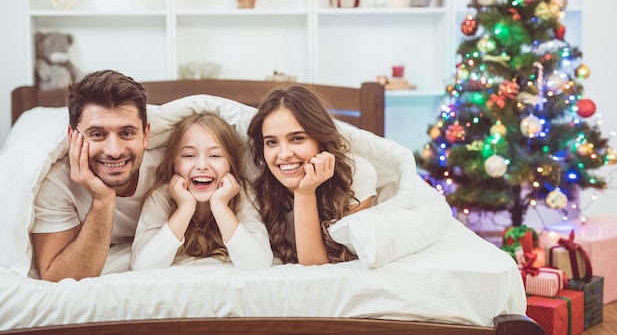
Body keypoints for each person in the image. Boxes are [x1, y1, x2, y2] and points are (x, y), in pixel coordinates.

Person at [31, 69, 158, 281]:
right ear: (73, 136)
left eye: (127, 133)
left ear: (146, 134)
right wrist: (103, 199)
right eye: (97, 134)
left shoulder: (173, 165)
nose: (114, 150)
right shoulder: (55, 182)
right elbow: (58, 277)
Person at [247, 85, 376, 266]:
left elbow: (314, 266)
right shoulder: (255, 180)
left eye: (297, 138)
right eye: (271, 142)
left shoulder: (357, 174)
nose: (284, 154)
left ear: (321, 139)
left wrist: (305, 193)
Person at [131, 112, 273, 271]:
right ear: (174, 164)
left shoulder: (242, 194)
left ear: (230, 164)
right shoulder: (161, 196)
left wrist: (220, 206)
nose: (202, 165)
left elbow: (258, 264)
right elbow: (143, 266)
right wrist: (185, 208)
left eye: (215, 155)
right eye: (189, 155)